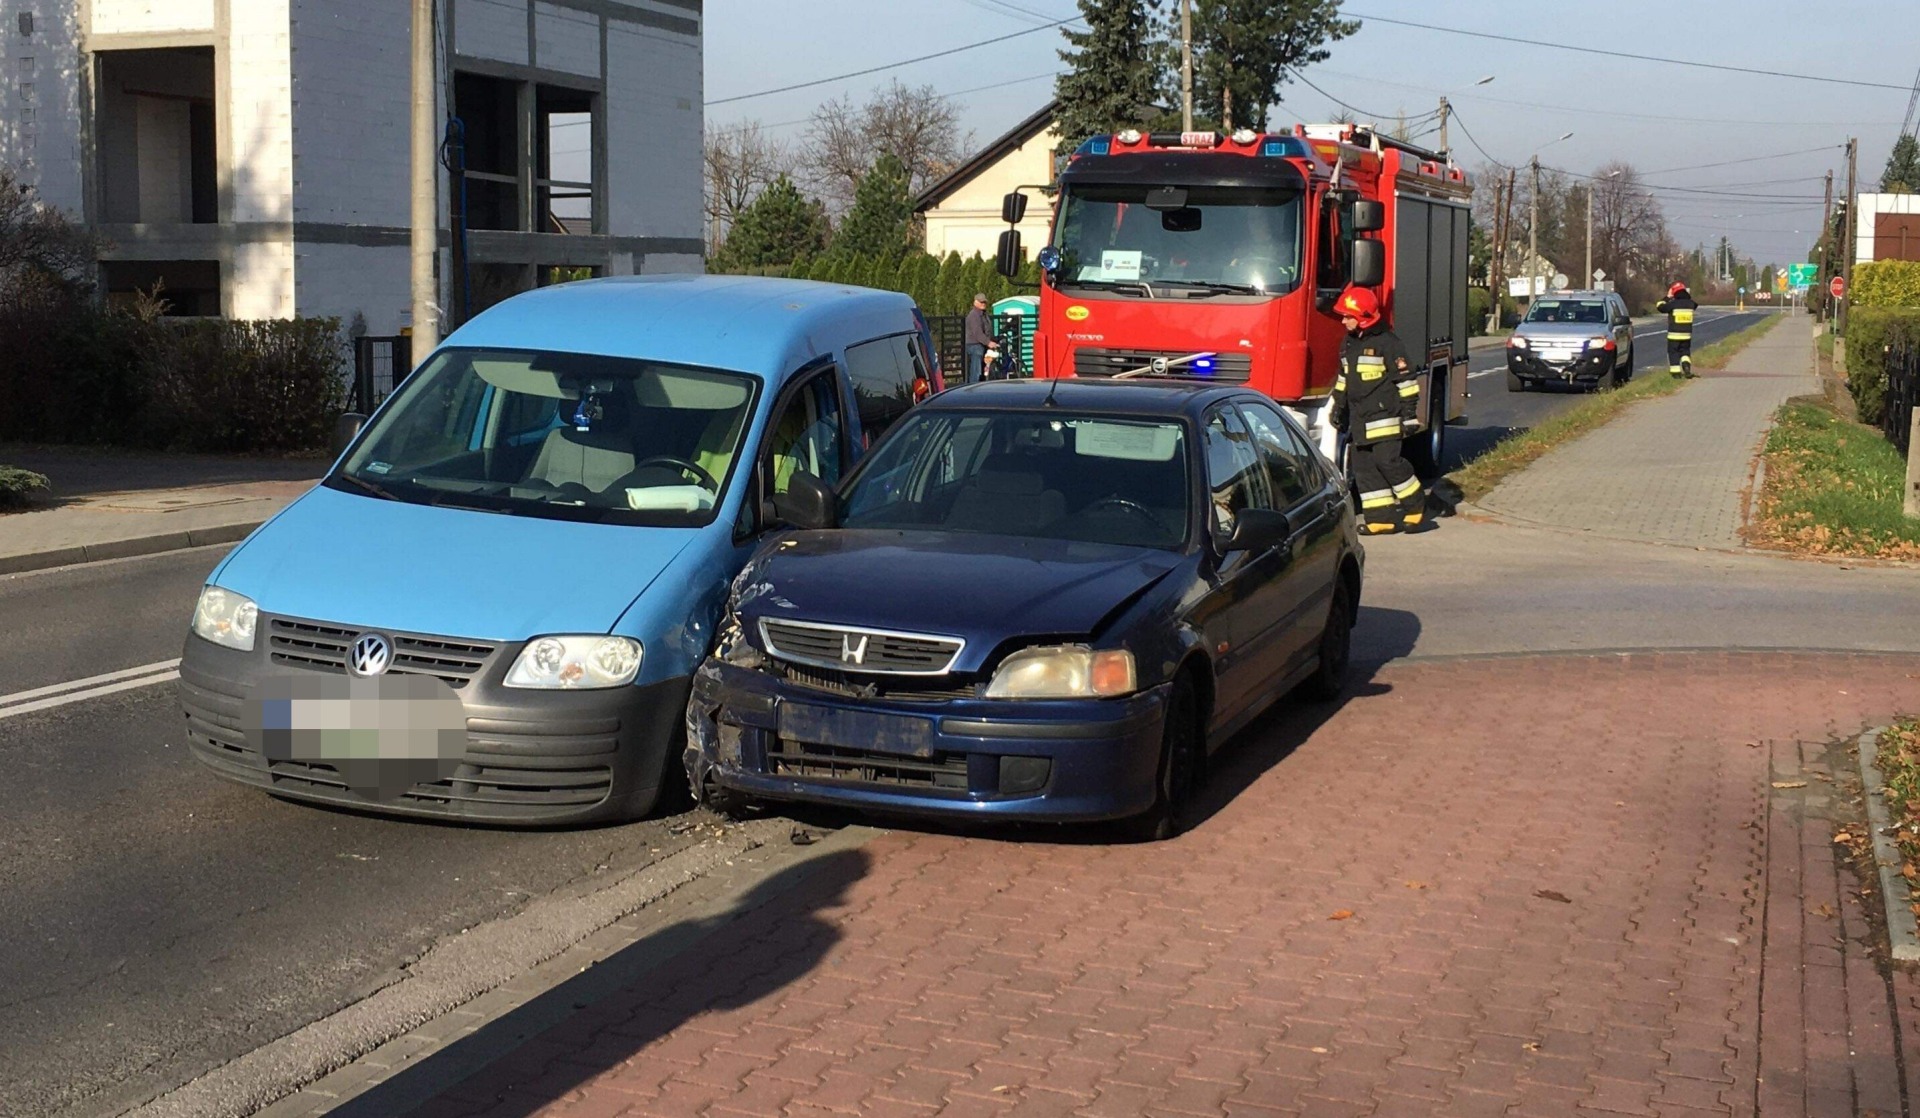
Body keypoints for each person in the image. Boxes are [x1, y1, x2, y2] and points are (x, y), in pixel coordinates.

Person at [1328, 285, 1428, 534]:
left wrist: (1409, 415)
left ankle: (1415, 506)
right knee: (1364, 469)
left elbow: (1405, 381)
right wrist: (1338, 407)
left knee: (1388, 462)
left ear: (1362, 317)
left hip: (1386, 417)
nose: (1343, 320)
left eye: (1348, 316)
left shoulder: (1388, 343)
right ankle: (1381, 519)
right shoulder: (1348, 344)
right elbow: (1343, 379)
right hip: (1359, 420)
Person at [1656, 281, 1698, 378]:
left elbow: (1660, 307)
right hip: (1687, 335)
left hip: (1674, 335)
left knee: (1673, 352)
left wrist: (1668, 297)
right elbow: (1695, 304)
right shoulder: (1691, 304)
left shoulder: (1673, 304)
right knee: (1685, 352)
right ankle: (1686, 366)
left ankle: (1676, 374)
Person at [963, 293, 992, 385]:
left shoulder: (983, 314)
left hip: (981, 345)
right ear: (975, 302)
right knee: (976, 372)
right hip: (975, 346)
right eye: (981, 302)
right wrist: (988, 342)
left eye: (984, 302)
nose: (983, 303)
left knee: (981, 371)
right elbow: (977, 333)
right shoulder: (974, 315)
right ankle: (973, 390)